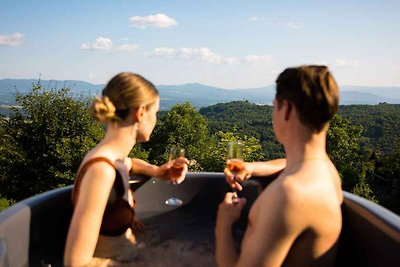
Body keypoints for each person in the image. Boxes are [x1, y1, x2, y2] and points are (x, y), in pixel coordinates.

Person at [216, 65, 343, 267]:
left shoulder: (290, 194)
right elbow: (291, 164)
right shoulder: (326, 171)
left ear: (287, 110)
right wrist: (252, 167)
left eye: (274, 106)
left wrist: (223, 224)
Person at [64, 72, 189, 266]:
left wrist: (157, 171)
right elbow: (76, 263)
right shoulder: (101, 171)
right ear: (140, 113)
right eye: (155, 113)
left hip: (132, 254)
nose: (156, 120)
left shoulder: (115, 161)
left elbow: (131, 163)